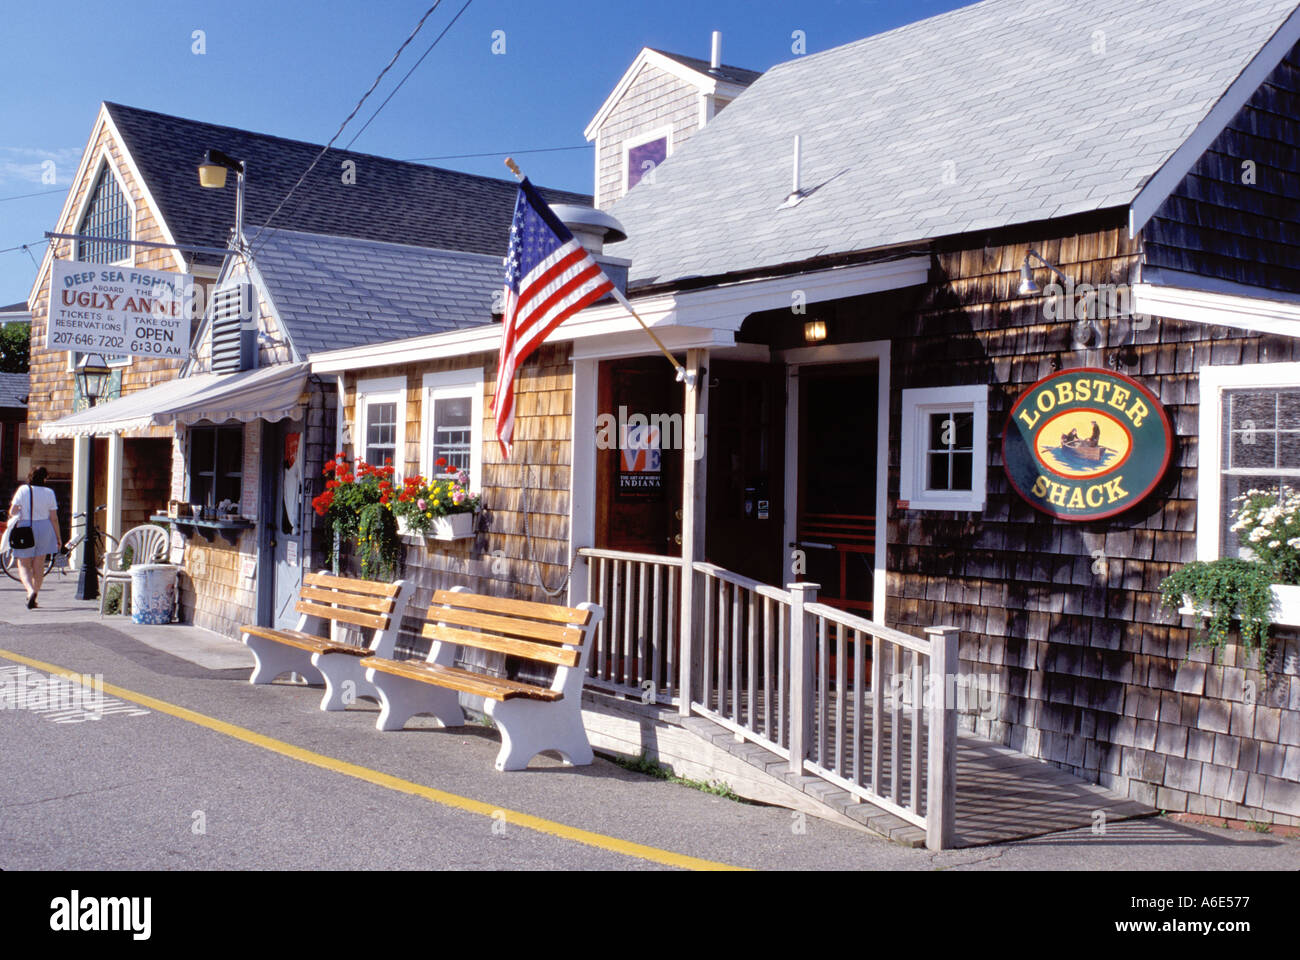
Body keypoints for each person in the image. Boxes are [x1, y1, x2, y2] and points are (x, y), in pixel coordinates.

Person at [2, 467, 62, 609]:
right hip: (45, 528)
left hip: (25, 527)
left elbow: (13, 511)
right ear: (45, 478)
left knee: (23, 563)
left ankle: (29, 591)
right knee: (39, 564)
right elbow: (54, 518)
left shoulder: (23, 490)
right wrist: (58, 537)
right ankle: (35, 594)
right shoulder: (49, 493)